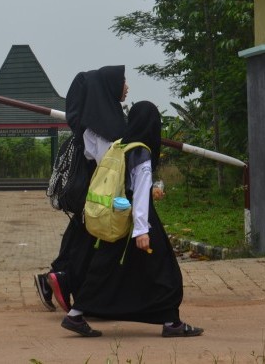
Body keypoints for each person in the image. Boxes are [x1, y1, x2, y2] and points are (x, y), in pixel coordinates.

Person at [59, 100, 204, 338]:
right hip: (138, 218)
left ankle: (75, 315)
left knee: (105, 267)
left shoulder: (119, 145)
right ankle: (171, 322)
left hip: (117, 215)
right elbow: (140, 192)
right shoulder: (142, 151)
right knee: (164, 269)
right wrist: (141, 230)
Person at [34, 65, 129, 313]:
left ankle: (54, 277)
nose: (127, 87)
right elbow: (111, 164)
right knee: (91, 242)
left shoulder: (96, 120)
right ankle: (68, 283)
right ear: (109, 87)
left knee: (79, 233)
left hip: (89, 195)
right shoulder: (105, 126)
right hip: (101, 195)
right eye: (123, 82)